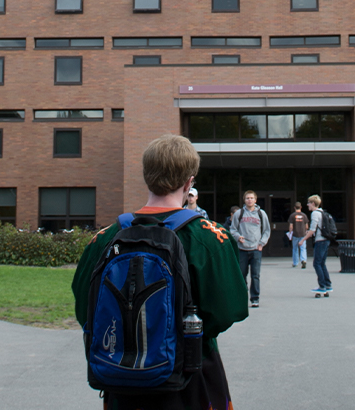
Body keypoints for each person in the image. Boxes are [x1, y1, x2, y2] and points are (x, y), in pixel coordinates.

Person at [72, 134, 248, 410]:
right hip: (191, 378)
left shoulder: (106, 238)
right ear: (189, 182)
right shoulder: (209, 238)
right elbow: (230, 309)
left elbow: (85, 308)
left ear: (146, 176)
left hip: (120, 380)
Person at [228, 190, 270, 308]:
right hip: (242, 249)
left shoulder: (261, 214)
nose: (249, 200)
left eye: (251, 198)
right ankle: (241, 297)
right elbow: (233, 229)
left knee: (255, 275)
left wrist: (261, 243)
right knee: (241, 275)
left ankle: (255, 298)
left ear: (255, 200)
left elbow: (266, 230)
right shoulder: (239, 214)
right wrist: (237, 237)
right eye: (247, 198)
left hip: (256, 249)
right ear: (244, 200)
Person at [303, 195, 332, 296]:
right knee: (322, 263)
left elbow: (312, 230)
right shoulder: (322, 212)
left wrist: (303, 239)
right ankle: (327, 284)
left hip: (320, 241)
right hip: (326, 240)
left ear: (313, 204)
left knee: (317, 264)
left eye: (309, 203)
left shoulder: (315, 213)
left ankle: (322, 286)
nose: (307, 205)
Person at [287, 201, 308, 268]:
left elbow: (291, 226)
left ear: (294, 208)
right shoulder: (304, 215)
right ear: (301, 207)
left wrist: (290, 232)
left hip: (295, 234)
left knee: (295, 249)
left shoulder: (292, 215)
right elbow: (307, 226)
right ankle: (303, 260)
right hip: (303, 234)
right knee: (303, 248)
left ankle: (295, 263)